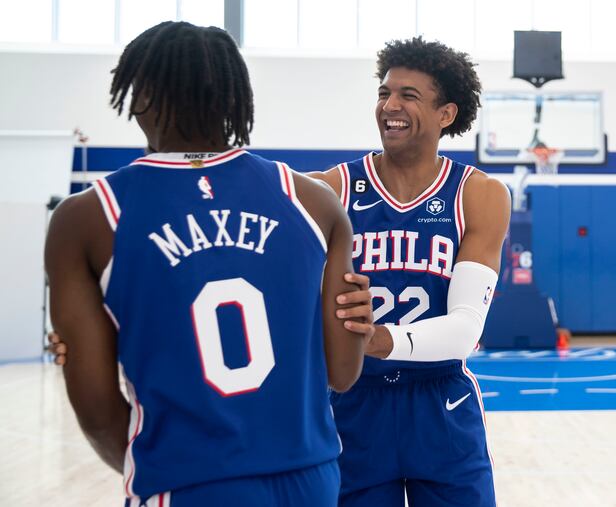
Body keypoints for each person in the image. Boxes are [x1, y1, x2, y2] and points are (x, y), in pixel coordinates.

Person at [44, 21, 373, 506]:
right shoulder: (314, 201)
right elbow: (343, 372)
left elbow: (96, 408)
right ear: (235, 95)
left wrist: (159, 467)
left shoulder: (89, 216)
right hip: (311, 478)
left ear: (139, 96)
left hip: (187, 481)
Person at [310, 37, 511, 506]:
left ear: (446, 114)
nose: (390, 106)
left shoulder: (478, 194)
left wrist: (376, 338)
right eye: (384, 93)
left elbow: (465, 329)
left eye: (408, 95)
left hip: (441, 404)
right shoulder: (329, 190)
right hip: (353, 401)